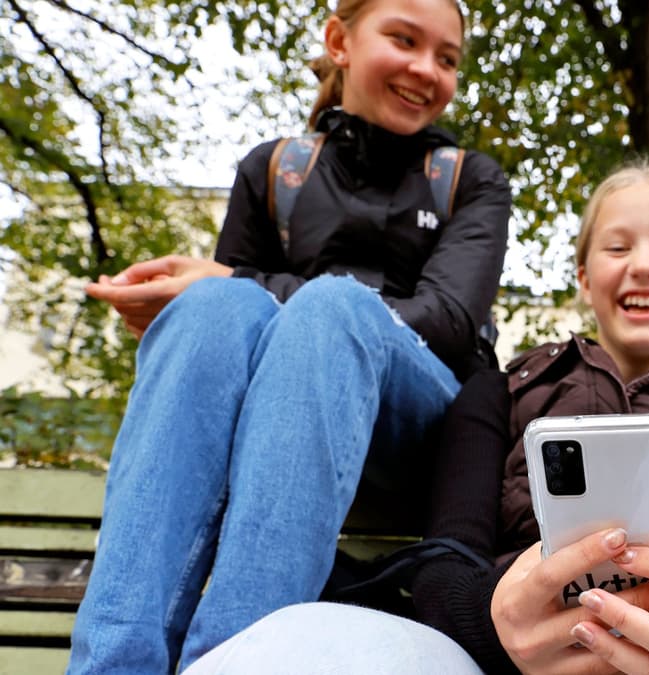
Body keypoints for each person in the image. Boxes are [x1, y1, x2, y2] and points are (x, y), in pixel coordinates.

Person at [184, 160, 649, 674]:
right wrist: (497, 621)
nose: (645, 265)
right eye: (618, 246)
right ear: (583, 277)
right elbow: (447, 556)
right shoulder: (494, 394)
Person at [67, 0, 511, 671]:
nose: (428, 69)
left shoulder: (470, 179)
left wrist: (264, 287)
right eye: (405, 40)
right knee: (210, 308)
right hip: (287, 414)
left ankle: (244, 658)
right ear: (340, 41)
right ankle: (112, 663)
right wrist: (210, 291)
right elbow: (230, 323)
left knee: (330, 309)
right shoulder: (270, 170)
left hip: (419, 416)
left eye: (447, 58)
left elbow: (447, 322)